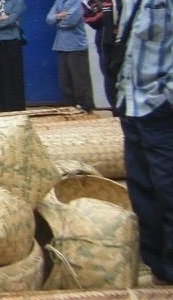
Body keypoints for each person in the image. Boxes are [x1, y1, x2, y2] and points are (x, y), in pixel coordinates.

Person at [115, 0, 172, 286]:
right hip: (133, 105)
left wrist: (166, 98)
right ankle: (159, 268)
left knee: (168, 188)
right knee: (142, 191)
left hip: (159, 108)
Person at [47, 0, 95, 112]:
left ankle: (86, 107)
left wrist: (57, 19)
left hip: (76, 45)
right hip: (60, 45)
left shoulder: (77, 2)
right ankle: (70, 106)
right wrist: (60, 16)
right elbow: (49, 19)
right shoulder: (58, 2)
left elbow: (70, 22)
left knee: (80, 80)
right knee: (65, 80)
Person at [0, 0, 26, 112]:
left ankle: (15, 107)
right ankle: (1, 108)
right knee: (0, 74)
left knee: (12, 74)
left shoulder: (18, 2)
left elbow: (12, 19)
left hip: (11, 40)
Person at [83, 0, 119, 116]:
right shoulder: (93, 2)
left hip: (122, 38)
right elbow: (92, 20)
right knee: (109, 76)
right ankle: (117, 110)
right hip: (106, 39)